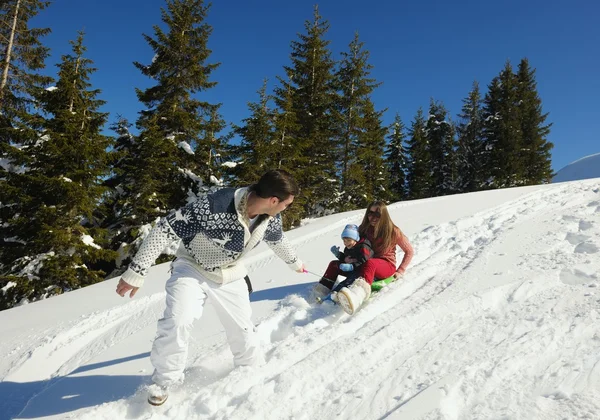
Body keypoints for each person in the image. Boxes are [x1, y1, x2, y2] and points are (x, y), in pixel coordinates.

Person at [115, 169, 305, 406]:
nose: (285, 209)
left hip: (230, 273)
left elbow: (277, 240)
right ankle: (164, 381)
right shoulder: (216, 205)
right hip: (193, 267)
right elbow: (165, 228)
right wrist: (136, 271)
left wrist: (295, 263)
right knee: (179, 319)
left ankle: (250, 370)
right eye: (286, 204)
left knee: (243, 328)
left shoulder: (270, 217)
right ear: (273, 200)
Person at [335, 201, 414, 315]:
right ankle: (330, 290)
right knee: (339, 264)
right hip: (367, 262)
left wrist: (400, 270)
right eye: (370, 213)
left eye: (377, 214)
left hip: (386, 265)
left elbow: (409, 251)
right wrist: (349, 257)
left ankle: (357, 296)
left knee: (370, 263)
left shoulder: (393, 231)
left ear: (384, 215)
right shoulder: (365, 228)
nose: (373, 217)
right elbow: (355, 244)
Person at [311, 224, 374, 300]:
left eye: (348, 240)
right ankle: (323, 288)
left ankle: (335, 296)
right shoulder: (349, 247)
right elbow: (346, 258)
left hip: (361, 272)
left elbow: (365, 260)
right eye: (344, 240)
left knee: (346, 282)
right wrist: (338, 254)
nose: (346, 243)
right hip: (351, 269)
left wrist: (352, 266)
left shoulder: (363, 246)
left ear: (356, 239)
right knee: (333, 264)